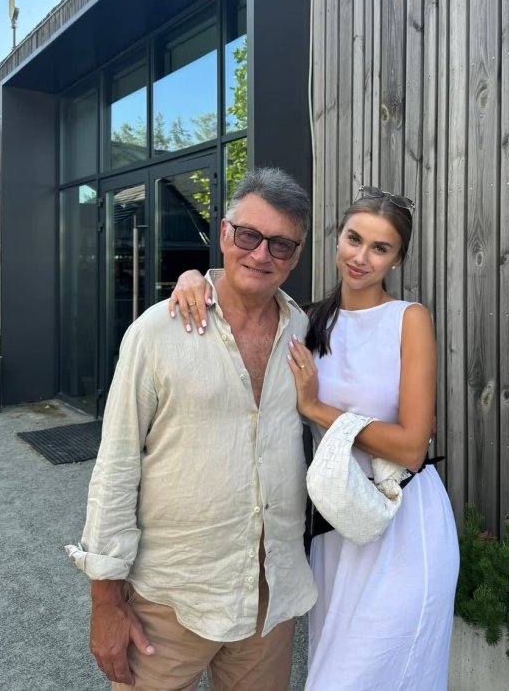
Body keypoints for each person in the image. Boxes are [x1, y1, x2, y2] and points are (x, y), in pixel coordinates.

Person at [170, 185, 460, 690]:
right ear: (337, 238)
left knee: (376, 674)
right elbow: (241, 300)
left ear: (397, 258)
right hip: (337, 526)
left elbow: (413, 447)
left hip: (402, 521)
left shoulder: (408, 320)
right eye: (354, 239)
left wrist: (317, 409)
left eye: (380, 248)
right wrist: (193, 277)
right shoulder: (305, 321)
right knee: (331, 669)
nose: (361, 257)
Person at [66, 167, 317, 691]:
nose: (261, 254)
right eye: (247, 235)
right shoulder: (157, 332)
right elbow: (116, 467)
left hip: (267, 599)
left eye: (280, 244)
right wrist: (105, 603)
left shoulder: (302, 329)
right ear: (224, 234)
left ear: (295, 257)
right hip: (171, 597)